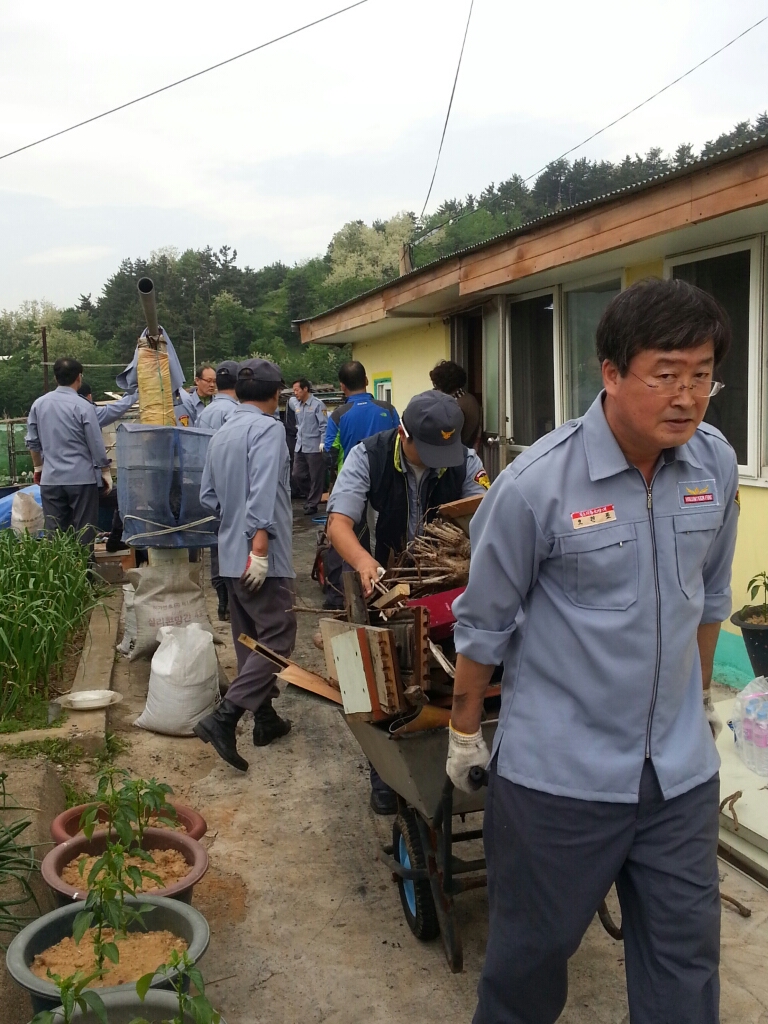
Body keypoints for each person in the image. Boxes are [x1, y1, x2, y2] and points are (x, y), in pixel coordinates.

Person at [447, 278, 738, 1024]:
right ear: (610, 373)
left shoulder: (713, 466)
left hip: (678, 781)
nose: (687, 397)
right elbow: (483, 624)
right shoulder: (536, 485)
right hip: (559, 784)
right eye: (666, 374)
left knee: (686, 969)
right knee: (527, 967)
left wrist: (701, 702)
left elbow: (709, 598)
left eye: (702, 376)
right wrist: (462, 733)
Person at [326, 389, 490, 813]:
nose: (439, 462)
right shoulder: (369, 456)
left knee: (449, 677)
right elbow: (339, 523)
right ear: (404, 434)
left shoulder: (465, 460)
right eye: (429, 451)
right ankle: (386, 772)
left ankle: (449, 755)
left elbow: (486, 513)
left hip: (449, 584)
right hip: (387, 583)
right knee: (383, 677)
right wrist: (364, 563)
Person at [195, 358, 295, 772]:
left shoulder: (222, 432)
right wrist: (259, 544)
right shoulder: (269, 429)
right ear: (276, 394)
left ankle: (265, 719)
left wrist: (236, 524)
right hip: (261, 556)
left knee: (249, 639)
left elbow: (208, 497)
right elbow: (264, 488)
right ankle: (225, 717)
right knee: (279, 637)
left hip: (229, 552)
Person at [25, 357, 112, 547]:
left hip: (51, 479)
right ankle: (84, 566)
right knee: (85, 530)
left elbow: (32, 441)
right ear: (79, 377)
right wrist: (105, 471)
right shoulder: (84, 406)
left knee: (55, 531)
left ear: (56, 378)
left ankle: (60, 565)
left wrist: (38, 468)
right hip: (82, 479)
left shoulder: (39, 404)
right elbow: (95, 442)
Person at [197, 361, 241, 621]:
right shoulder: (236, 413)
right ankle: (234, 601)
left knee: (216, 544)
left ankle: (222, 601)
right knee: (236, 543)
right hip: (232, 487)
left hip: (209, 487)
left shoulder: (205, 413)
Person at [324, 361, 400, 470]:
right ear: (366, 380)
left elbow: (330, 456)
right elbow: (400, 444)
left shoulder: (337, 416)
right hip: (385, 477)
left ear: (342, 386)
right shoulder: (389, 410)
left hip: (350, 477)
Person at [291, 378, 327, 515]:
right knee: (297, 474)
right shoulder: (297, 405)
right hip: (300, 446)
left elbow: (324, 425)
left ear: (305, 389)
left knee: (316, 477)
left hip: (314, 446)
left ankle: (312, 504)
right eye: (294, 390)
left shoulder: (318, 405)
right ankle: (312, 496)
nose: (295, 393)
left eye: (297, 390)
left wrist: (323, 442)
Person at [429, 359, 481, 450]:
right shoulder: (468, 398)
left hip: (456, 453)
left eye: (437, 384)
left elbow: (444, 438)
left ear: (443, 384)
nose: (436, 389)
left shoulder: (455, 406)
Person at [196, 361, 239, 431]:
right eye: (208, 381)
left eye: (213, 381)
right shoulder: (236, 412)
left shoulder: (203, 413)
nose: (211, 385)